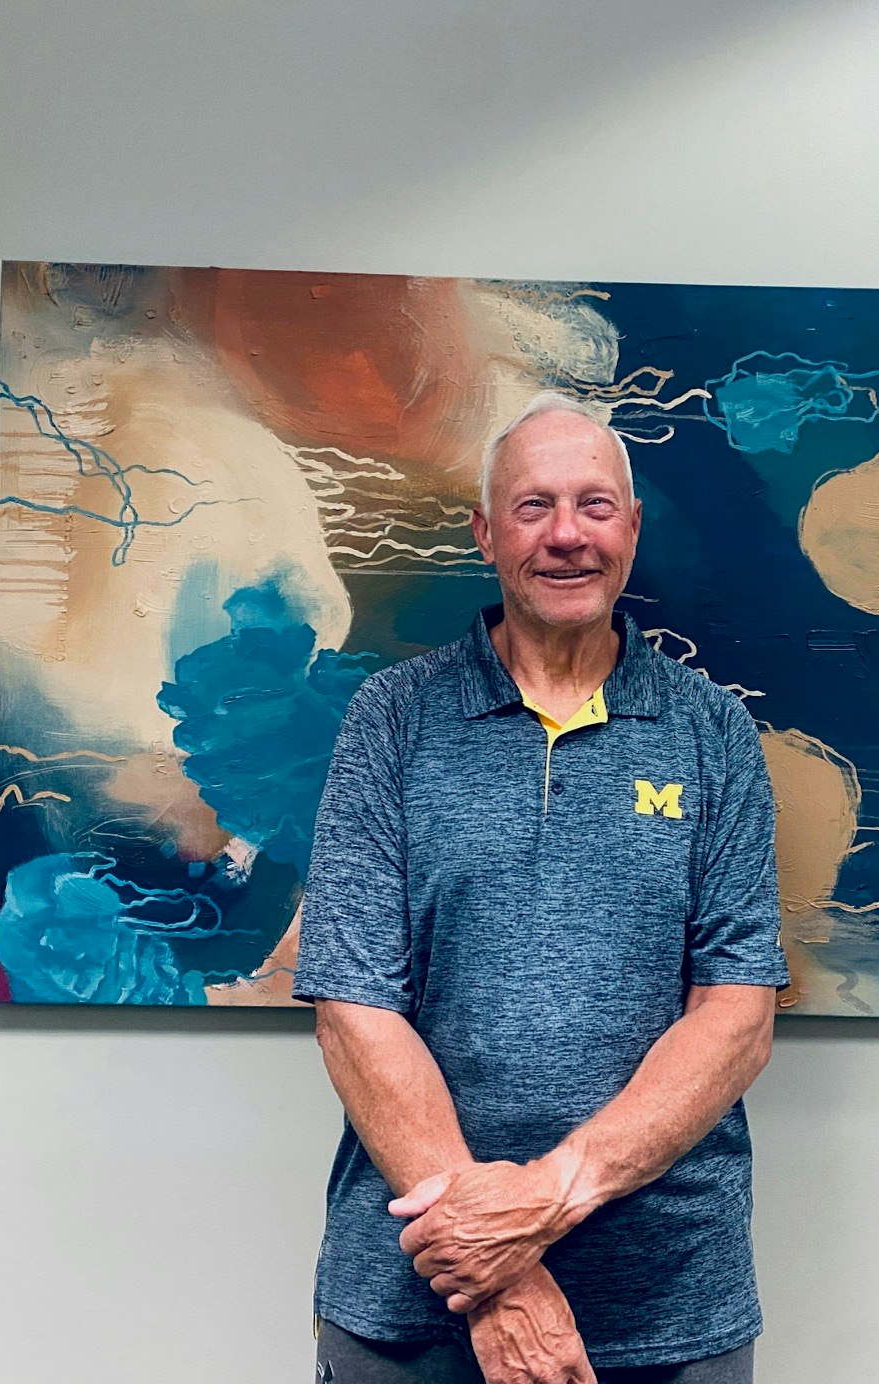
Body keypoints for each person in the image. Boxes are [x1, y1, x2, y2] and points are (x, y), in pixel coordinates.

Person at [293, 392, 789, 1383]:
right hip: (413, 1307)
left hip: (668, 1305)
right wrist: (498, 1277)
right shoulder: (392, 719)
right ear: (485, 532)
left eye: (594, 505)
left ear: (632, 528)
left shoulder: (713, 733)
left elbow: (736, 1015)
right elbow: (352, 1011)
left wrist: (550, 1194)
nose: (567, 535)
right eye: (533, 506)